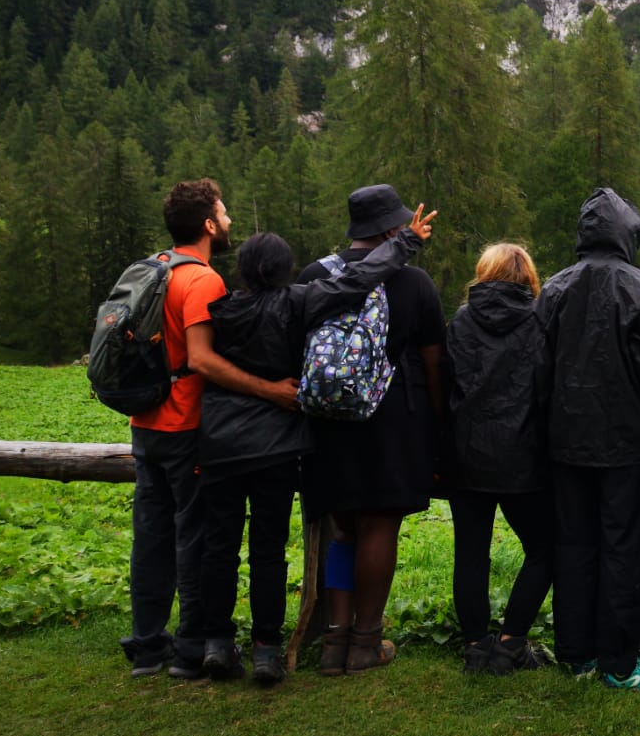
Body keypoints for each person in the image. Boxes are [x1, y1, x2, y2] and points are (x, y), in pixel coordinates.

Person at [194, 210, 433, 684]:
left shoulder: (222, 309)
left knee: (223, 546)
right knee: (279, 545)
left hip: (231, 441)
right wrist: (406, 241)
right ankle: (296, 646)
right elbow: (361, 277)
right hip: (289, 440)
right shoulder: (301, 300)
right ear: (285, 270)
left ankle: (229, 641)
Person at [121, 179, 298, 680]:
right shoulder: (202, 281)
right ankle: (193, 648)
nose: (229, 222)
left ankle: (148, 646)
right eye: (223, 213)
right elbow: (201, 359)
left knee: (150, 537)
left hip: (145, 421)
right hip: (184, 423)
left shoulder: (154, 267)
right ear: (206, 224)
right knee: (195, 538)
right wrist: (269, 390)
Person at [299, 184, 447, 675]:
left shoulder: (315, 275)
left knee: (342, 525)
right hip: (393, 414)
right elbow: (432, 363)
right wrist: (437, 423)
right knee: (380, 523)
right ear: (390, 231)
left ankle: (334, 640)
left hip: (328, 419)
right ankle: (367, 640)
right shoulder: (415, 284)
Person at [535, 188, 640, 689]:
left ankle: (577, 653)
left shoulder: (554, 289)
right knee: (620, 549)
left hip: (565, 442)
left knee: (573, 544)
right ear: (624, 233)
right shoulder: (637, 287)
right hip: (623, 446)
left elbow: (538, 368)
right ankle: (617, 662)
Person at [441, 242, 554, 677]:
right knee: (545, 547)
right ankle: (511, 642)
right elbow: (545, 388)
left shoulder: (462, 321)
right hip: (522, 453)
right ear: (527, 276)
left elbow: (448, 379)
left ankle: (475, 645)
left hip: (466, 452)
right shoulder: (538, 320)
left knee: (470, 553)